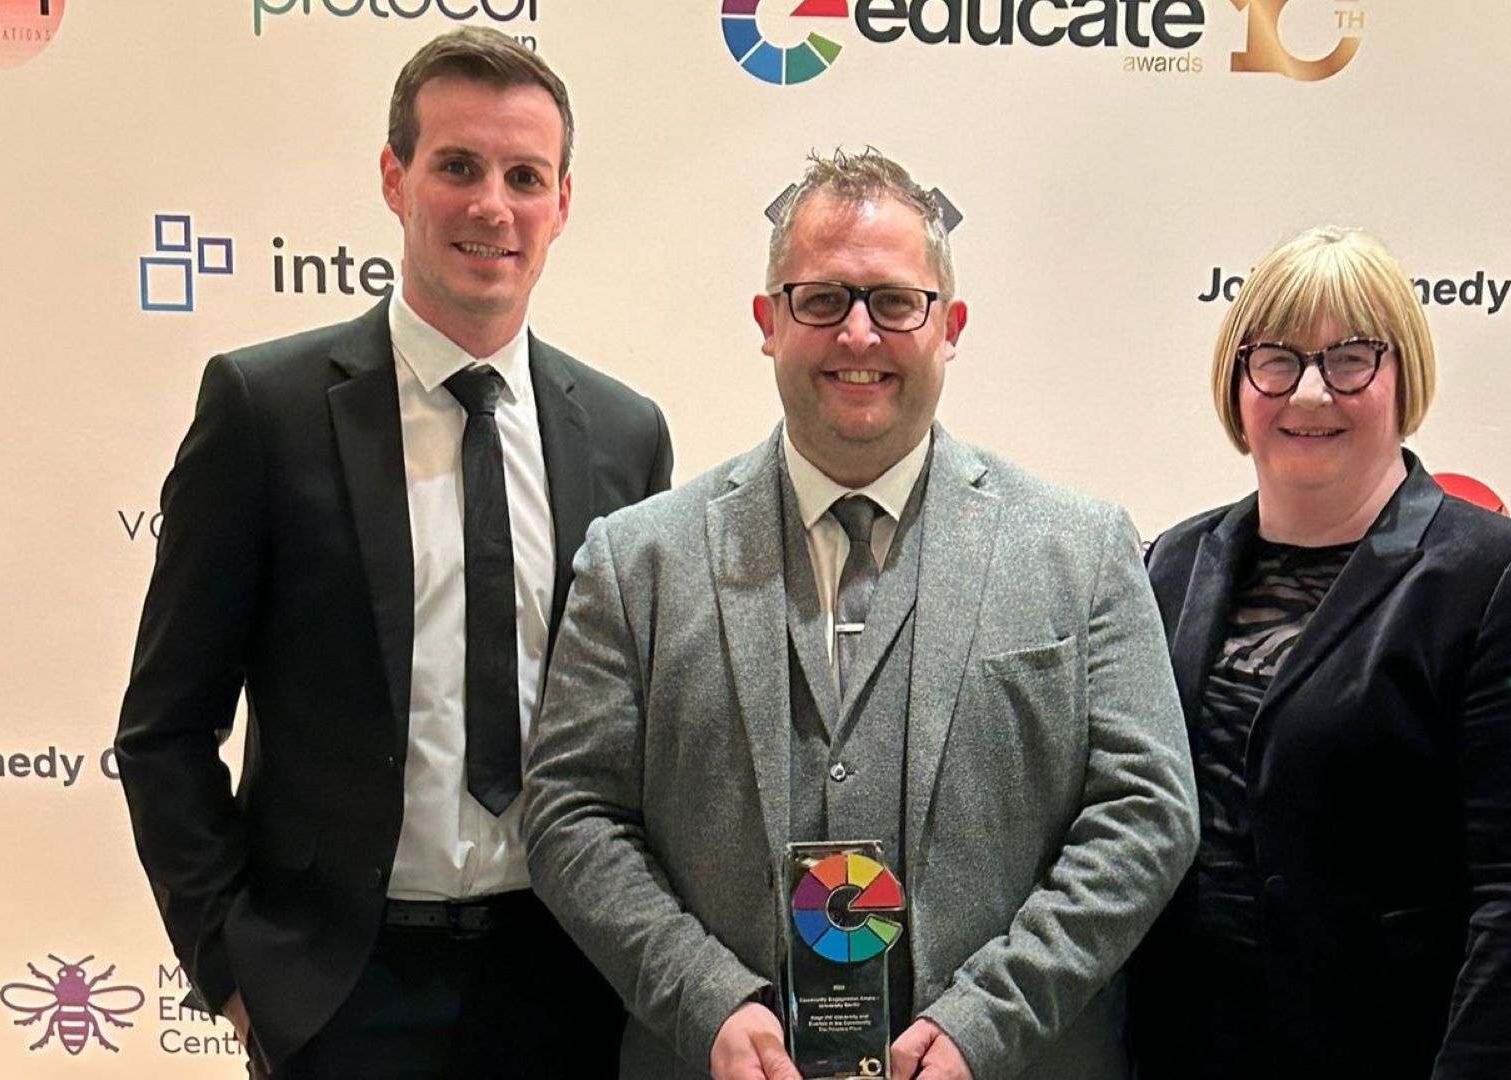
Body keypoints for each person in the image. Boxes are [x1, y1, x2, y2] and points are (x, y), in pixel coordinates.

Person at [523, 148, 1197, 1080]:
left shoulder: (1079, 550)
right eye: (822, 300)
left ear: (949, 326)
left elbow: (1149, 813)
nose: (858, 335)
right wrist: (704, 999)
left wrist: (986, 1021)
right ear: (768, 322)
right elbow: (569, 813)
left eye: (894, 302)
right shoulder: (638, 561)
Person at [114, 27, 671, 1078]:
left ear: (562, 203)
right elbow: (165, 730)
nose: (490, 206)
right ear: (394, 176)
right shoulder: (263, 409)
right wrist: (234, 971)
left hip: (566, 984)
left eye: (524, 176)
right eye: (456, 166)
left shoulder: (623, 432)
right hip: (337, 992)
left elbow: (641, 737)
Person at [1131, 226, 1511, 1078]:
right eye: (1276, 359)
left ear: (1404, 377)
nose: (1310, 394)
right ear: (1237, 384)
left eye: (1350, 358)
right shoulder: (1171, 563)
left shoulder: (1507, 583)